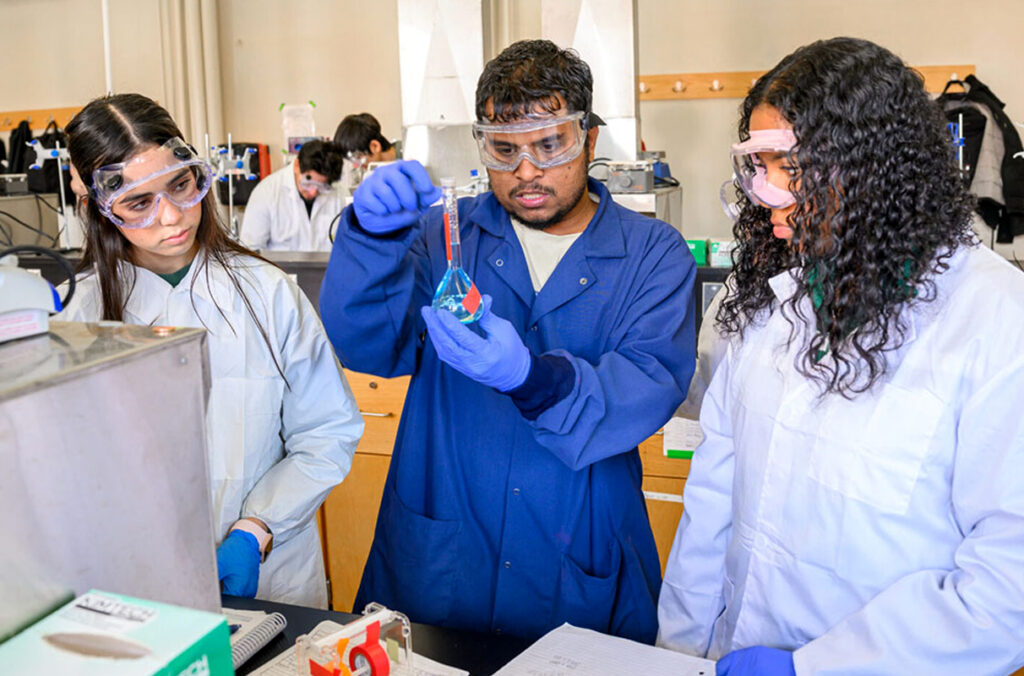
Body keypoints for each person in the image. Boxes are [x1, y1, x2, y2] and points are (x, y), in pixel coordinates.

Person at [657, 37, 1024, 676]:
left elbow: (1006, 586)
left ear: (875, 171)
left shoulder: (995, 322)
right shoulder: (766, 308)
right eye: (759, 165)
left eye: (791, 168)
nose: (767, 193)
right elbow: (712, 501)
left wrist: (817, 667)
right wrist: (679, 653)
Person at [319, 39, 696, 642]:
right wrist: (367, 238)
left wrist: (532, 378)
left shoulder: (653, 255)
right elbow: (368, 343)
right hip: (443, 538)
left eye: (550, 145)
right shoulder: (444, 234)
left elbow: (647, 387)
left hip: (577, 542)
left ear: (589, 140)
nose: (526, 171)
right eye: (504, 149)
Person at [57, 93, 363, 608]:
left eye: (181, 186)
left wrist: (256, 528)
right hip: (134, 587)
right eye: (139, 202)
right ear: (98, 206)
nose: (173, 217)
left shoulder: (268, 294)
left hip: (272, 577)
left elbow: (327, 431)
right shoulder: (78, 318)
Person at [239, 139, 344, 252]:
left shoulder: (337, 193)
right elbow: (250, 250)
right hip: (278, 269)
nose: (313, 192)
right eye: (308, 183)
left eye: (321, 186)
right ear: (296, 165)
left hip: (326, 268)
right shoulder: (267, 192)